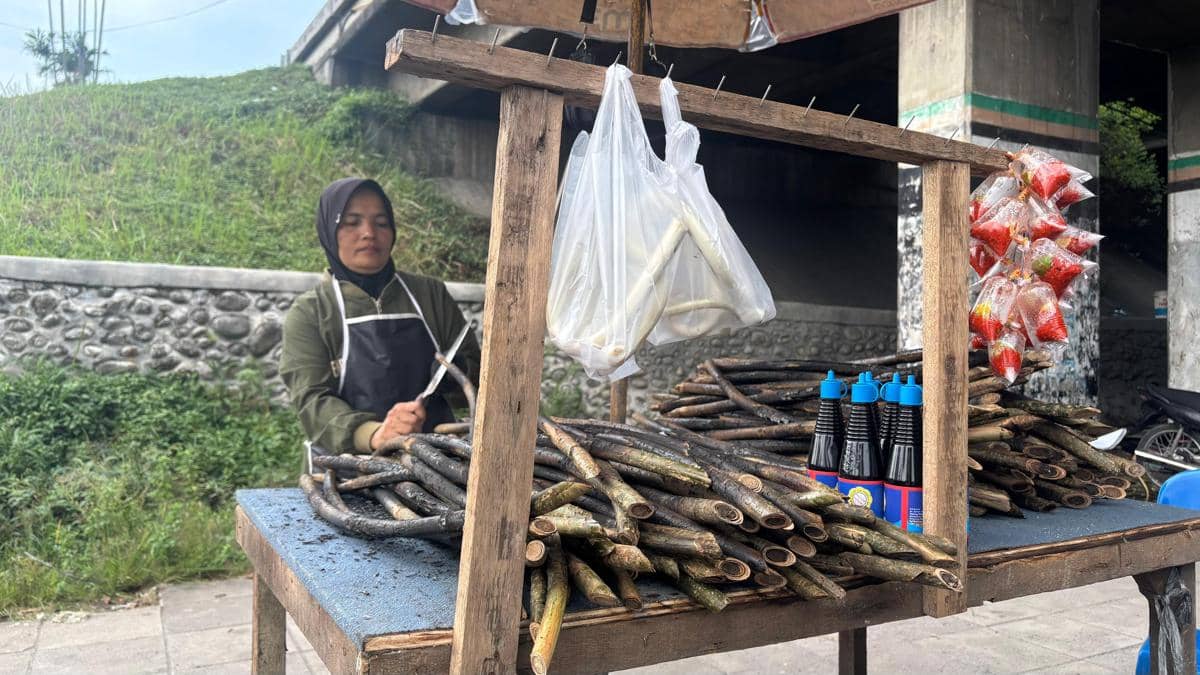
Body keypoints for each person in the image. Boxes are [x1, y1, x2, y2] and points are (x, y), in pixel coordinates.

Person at [280, 177, 480, 457]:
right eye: (352, 222)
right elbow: (312, 401)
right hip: (346, 471)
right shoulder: (312, 312)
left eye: (381, 222)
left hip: (435, 464)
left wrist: (457, 375)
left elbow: (479, 377)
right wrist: (374, 434)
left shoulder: (429, 295)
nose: (369, 233)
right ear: (328, 229)